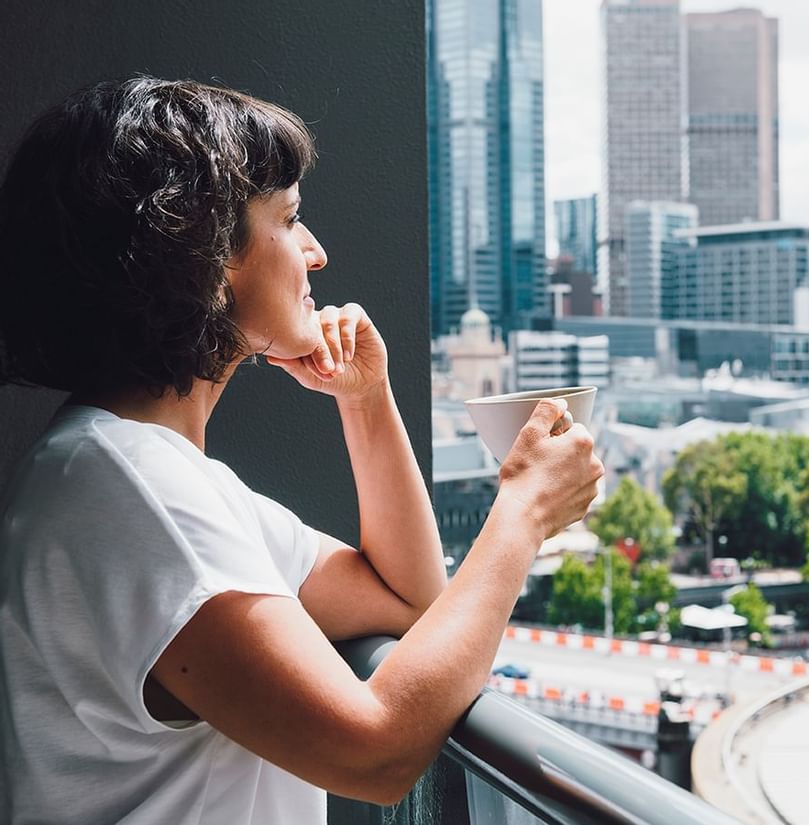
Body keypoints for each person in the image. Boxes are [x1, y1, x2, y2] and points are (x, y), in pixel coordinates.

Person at [0, 77, 603, 824]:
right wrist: (525, 512)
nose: (316, 253)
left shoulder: (139, 474)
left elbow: (413, 602)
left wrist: (366, 400)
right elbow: (375, 751)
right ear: (208, 252)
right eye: (290, 219)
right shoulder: (135, 487)